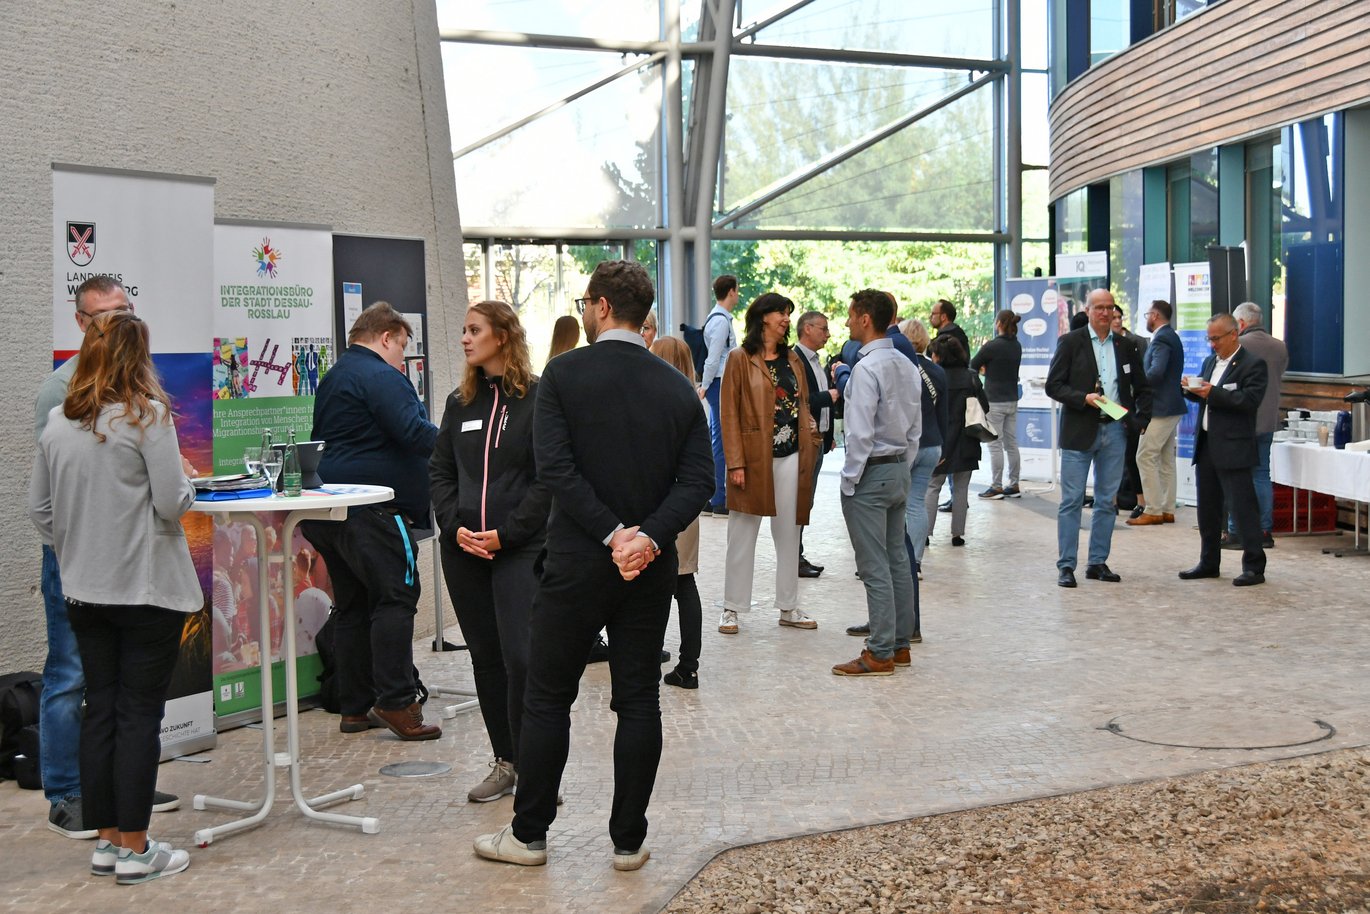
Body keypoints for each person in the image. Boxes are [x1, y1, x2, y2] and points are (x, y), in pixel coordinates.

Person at [473, 260, 712, 870]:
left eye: (586, 301)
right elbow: (697, 482)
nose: (583, 309)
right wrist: (648, 539)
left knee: (548, 697)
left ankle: (528, 835)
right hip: (648, 570)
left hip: (578, 560)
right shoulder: (676, 386)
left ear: (602, 307)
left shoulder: (564, 373)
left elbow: (555, 469)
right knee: (638, 699)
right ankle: (629, 840)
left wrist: (610, 534)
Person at [29, 309, 199, 884]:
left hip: (84, 591)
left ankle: (105, 843)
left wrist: (80, 548)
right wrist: (190, 481)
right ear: (139, 358)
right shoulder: (148, 417)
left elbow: (40, 513)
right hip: (144, 591)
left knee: (98, 709)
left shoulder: (57, 422)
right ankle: (136, 848)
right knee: (137, 716)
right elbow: (174, 502)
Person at [302, 302, 440, 740]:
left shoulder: (335, 375)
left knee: (354, 605)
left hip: (330, 508)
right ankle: (397, 702)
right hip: (376, 511)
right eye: (402, 346)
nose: (404, 358)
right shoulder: (382, 375)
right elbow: (414, 433)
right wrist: (458, 446)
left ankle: (355, 705)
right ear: (385, 338)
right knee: (396, 598)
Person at [430, 300, 550, 802]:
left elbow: (549, 481)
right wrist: (455, 527)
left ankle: (534, 768)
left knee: (522, 658)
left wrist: (508, 534)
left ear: (502, 336)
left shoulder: (539, 399)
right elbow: (439, 471)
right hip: (464, 553)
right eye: (463, 330)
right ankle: (505, 762)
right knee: (487, 658)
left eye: (473, 330)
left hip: (518, 550)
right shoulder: (461, 402)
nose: (464, 338)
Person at [717, 293, 822, 636]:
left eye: (789, 314)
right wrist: (735, 462)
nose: (786, 319)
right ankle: (732, 608)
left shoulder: (792, 359)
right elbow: (728, 414)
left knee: (790, 532)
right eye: (781, 313)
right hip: (751, 458)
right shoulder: (738, 359)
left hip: (792, 455)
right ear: (763, 317)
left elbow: (801, 402)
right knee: (742, 533)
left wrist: (810, 429)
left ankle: (788, 606)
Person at [833, 290, 921, 676]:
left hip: (871, 472)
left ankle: (880, 650)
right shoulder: (906, 363)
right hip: (900, 466)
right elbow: (915, 428)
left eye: (852, 315)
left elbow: (860, 434)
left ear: (865, 318)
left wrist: (850, 480)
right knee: (897, 559)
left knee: (874, 566)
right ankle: (900, 644)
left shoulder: (867, 369)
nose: (848, 322)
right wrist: (904, 463)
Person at [1046, 289, 1151, 588]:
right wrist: (1083, 398)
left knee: (1107, 501)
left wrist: (1140, 421)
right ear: (1088, 310)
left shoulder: (1126, 345)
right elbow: (1054, 386)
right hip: (1080, 430)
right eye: (1099, 308)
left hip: (1115, 431)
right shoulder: (1070, 343)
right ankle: (1066, 565)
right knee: (1071, 501)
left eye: (1110, 308)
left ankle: (1097, 562)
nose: (1105, 313)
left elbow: (1143, 387)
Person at [1179, 313, 1269, 586]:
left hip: (1234, 447)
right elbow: (1206, 397)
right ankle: (1209, 562)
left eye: (1216, 338)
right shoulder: (1209, 362)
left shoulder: (1253, 365)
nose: (1212, 344)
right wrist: (1189, 389)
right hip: (1206, 444)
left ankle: (1254, 566)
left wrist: (1211, 393)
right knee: (1208, 510)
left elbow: (1248, 401)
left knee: (1243, 509)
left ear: (1234, 334)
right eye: (1209, 339)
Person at [651, 336, 705, 689]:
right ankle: (689, 664)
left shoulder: (657, 401)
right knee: (684, 582)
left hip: (660, 504)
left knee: (662, 586)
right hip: (687, 506)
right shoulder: (693, 402)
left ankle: (658, 654)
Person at [1223, 302, 1287, 549]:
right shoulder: (1279, 346)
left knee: (1236, 475)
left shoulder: (1238, 345)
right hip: (1269, 418)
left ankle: (1235, 531)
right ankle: (1263, 530)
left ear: (1240, 324)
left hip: (1241, 417)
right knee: (1262, 474)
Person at [923, 336, 987, 548]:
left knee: (932, 487)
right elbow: (984, 407)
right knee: (961, 489)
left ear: (939, 356)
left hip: (940, 440)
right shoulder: (971, 377)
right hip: (967, 440)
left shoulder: (935, 376)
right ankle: (957, 535)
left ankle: (925, 533)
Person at [1127, 300, 1185, 527]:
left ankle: (1153, 509)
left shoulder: (1161, 338)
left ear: (1155, 315)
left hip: (1160, 407)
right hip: (1172, 406)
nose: (1146, 319)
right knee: (1165, 459)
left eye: (1147, 314)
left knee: (1144, 455)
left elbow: (1156, 372)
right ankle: (1167, 508)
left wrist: (1137, 385)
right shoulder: (1172, 336)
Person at [793, 310, 840, 578]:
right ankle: (794, 557)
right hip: (804, 441)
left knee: (807, 501)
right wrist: (828, 395)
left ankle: (797, 554)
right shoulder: (794, 359)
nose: (828, 334)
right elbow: (802, 399)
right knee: (800, 500)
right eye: (823, 329)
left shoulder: (817, 361)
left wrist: (829, 432)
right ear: (807, 329)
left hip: (819, 440)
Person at [971, 310, 1023, 499]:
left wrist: (985, 373)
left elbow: (972, 365)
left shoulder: (992, 346)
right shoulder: (1016, 345)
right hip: (1012, 399)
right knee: (1011, 443)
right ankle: (1014, 483)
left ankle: (996, 486)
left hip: (994, 400)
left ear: (999, 323)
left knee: (994, 444)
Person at [700, 275, 739, 515]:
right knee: (721, 440)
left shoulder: (716, 318)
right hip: (719, 383)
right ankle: (718, 498)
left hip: (716, 382)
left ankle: (715, 496)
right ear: (731, 292)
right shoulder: (721, 322)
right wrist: (705, 385)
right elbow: (714, 357)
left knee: (718, 438)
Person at [1111, 304, 1148, 513]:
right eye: (1113, 317)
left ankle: (1140, 501)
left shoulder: (1133, 343)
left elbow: (1142, 379)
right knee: (1111, 458)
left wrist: (1142, 416)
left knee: (1132, 456)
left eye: (1118, 316)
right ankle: (1112, 501)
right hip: (1106, 408)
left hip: (1128, 408)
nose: (1116, 320)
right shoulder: (1100, 346)